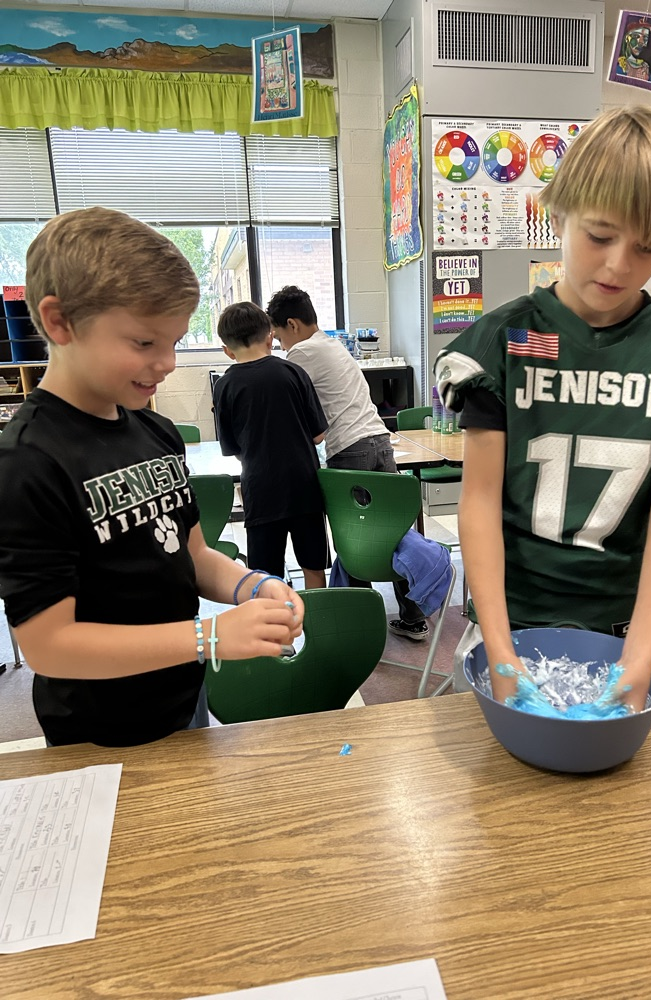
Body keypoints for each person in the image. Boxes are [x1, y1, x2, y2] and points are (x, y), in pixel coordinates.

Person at [436, 106, 651, 710]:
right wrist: (499, 649)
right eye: (600, 236)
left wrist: (641, 653)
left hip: (623, 626)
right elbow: (476, 500)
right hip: (509, 618)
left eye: (649, 247)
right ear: (559, 211)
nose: (619, 264)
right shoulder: (508, 340)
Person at [0, 207, 303, 748]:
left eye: (174, 341)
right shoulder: (27, 462)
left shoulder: (157, 432)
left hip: (184, 700)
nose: (166, 362)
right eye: (144, 343)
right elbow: (49, 645)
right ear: (59, 322)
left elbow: (194, 556)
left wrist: (252, 585)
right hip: (96, 731)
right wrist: (208, 635)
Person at [266, 285, 428, 641]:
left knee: (355, 542)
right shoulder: (332, 344)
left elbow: (283, 400)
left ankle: (359, 625)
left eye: (277, 337)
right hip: (380, 442)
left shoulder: (302, 354)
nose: (279, 345)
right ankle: (413, 619)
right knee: (391, 536)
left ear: (291, 324)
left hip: (350, 451)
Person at [214, 300, 328, 590]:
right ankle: (321, 630)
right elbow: (318, 436)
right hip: (304, 485)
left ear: (227, 351)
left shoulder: (224, 386)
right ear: (269, 338)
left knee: (265, 577)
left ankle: (276, 636)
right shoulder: (293, 373)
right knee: (313, 566)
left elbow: (231, 448)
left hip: (261, 488)